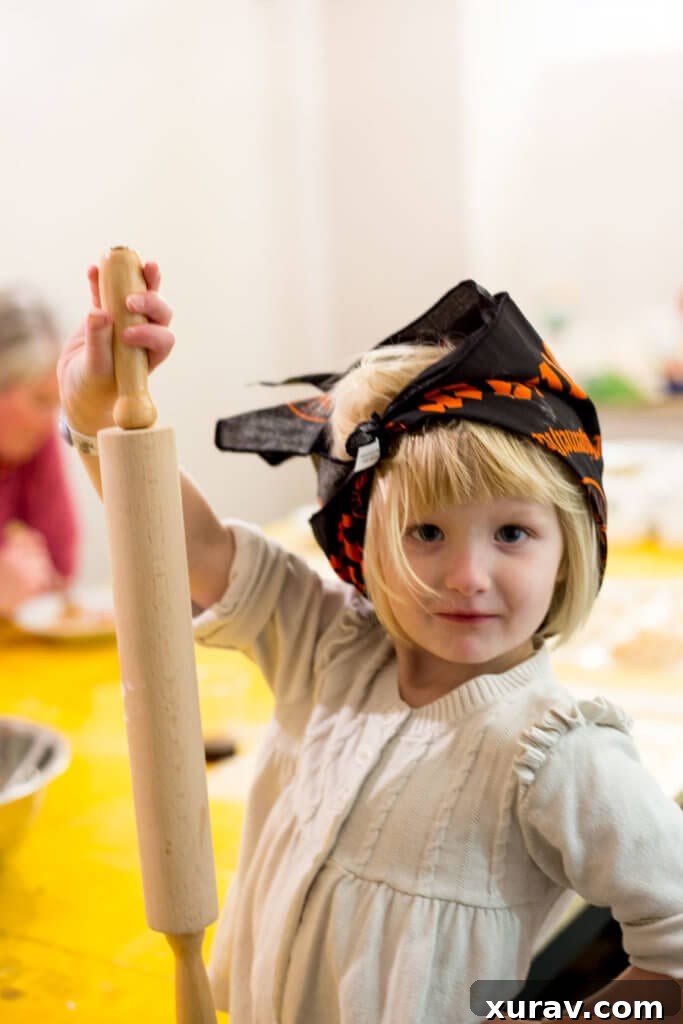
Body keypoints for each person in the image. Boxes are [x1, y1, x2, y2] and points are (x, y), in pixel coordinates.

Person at [58, 266, 683, 1023]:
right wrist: (99, 420)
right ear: (364, 539)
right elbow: (182, 546)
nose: (465, 576)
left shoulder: (557, 752)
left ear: (569, 551)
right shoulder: (326, 642)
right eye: (425, 532)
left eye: (511, 532)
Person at [0, 287, 80, 616]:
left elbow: (60, 568)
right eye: (38, 401)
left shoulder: (36, 444)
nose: (50, 424)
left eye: (56, 404)